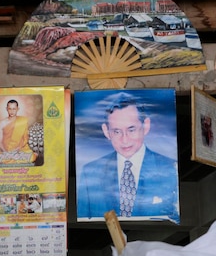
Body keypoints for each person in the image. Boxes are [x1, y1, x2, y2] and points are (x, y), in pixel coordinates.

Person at [77, 92, 179, 222]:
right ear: (106, 132)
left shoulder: (170, 169)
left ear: (146, 126)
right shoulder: (90, 172)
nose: (125, 140)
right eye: (117, 131)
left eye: (131, 130)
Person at [0, 99, 36, 164]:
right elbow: (0, 142)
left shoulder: (22, 121)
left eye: (14, 109)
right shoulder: (2, 123)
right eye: (10, 109)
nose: (12, 111)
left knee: (31, 157)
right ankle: (14, 158)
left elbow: (25, 139)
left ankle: (13, 159)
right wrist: (6, 152)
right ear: (7, 109)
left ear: (17, 109)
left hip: (20, 150)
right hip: (6, 152)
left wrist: (18, 148)